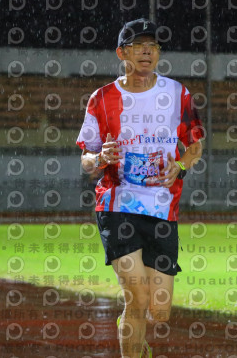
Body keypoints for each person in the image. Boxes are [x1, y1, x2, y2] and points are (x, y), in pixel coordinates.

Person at [76, 18, 204, 358]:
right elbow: (85, 161)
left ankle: (130, 324)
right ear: (122, 53)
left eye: (153, 46)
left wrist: (179, 167)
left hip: (162, 207)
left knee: (159, 310)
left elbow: (195, 147)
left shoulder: (177, 94)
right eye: (138, 46)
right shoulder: (102, 98)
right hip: (117, 205)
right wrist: (99, 158)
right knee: (137, 297)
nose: (147, 51)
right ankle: (131, 332)